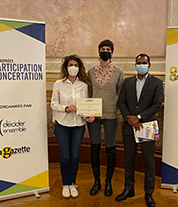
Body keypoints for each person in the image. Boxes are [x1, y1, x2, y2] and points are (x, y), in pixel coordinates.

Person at [116, 54, 163, 207]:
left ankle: (149, 193)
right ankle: (128, 189)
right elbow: (121, 102)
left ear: (149, 65)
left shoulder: (156, 83)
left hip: (147, 126)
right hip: (129, 127)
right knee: (128, 160)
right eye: (138, 63)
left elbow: (157, 104)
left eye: (144, 63)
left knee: (149, 161)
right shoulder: (127, 82)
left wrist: (139, 117)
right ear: (134, 65)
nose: (141, 65)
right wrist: (129, 118)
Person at [51, 55, 95, 199]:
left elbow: (86, 104)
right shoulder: (58, 84)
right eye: (71, 64)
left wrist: (89, 115)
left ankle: (72, 184)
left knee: (75, 156)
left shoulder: (84, 85)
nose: (73, 67)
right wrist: (66, 108)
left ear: (79, 68)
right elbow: (53, 104)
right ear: (66, 67)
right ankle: (65, 184)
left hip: (78, 125)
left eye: (76, 65)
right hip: (62, 124)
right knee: (65, 156)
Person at [87, 39, 124, 196]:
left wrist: (117, 111)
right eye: (102, 48)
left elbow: (121, 94)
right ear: (98, 51)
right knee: (94, 148)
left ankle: (108, 182)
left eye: (108, 49)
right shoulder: (90, 71)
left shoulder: (118, 72)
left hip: (110, 116)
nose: (105, 50)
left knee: (110, 149)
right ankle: (97, 182)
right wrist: (87, 111)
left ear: (112, 52)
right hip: (93, 117)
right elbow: (88, 92)